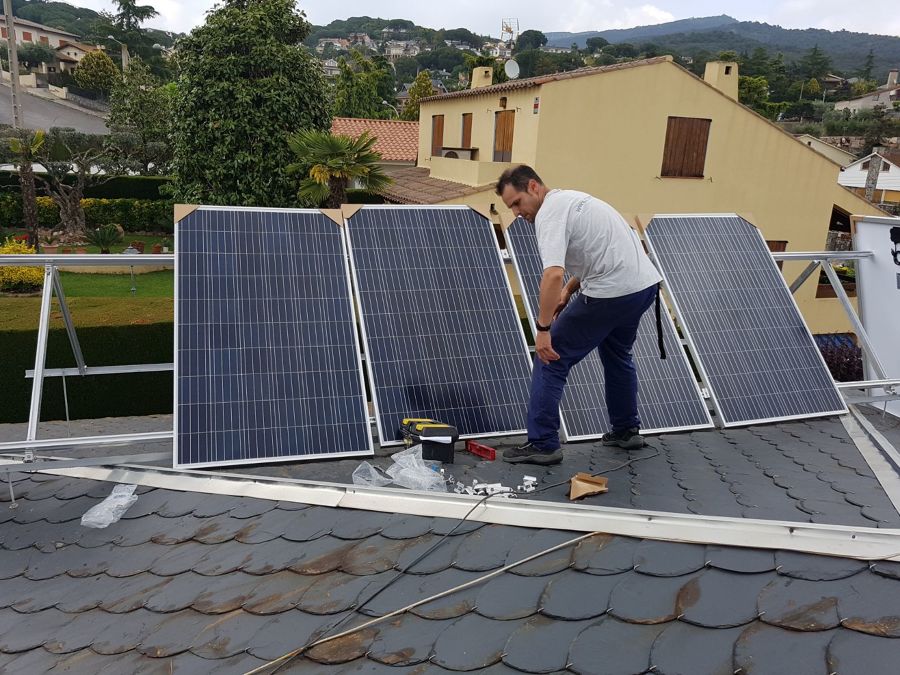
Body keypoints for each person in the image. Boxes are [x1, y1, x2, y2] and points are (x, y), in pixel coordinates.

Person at [497, 165, 662, 465]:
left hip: (612, 292)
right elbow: (598, 251)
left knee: (550, 358)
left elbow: (552, 274)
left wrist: (544, 329)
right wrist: (572, 288)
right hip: (643, 287)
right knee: (618, 354)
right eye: (511, 208)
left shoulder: (549, 215)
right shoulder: (573, 199)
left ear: (533, 186)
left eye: (518, 203)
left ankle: (543, 443)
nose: (517, 213)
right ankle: (626, 430)